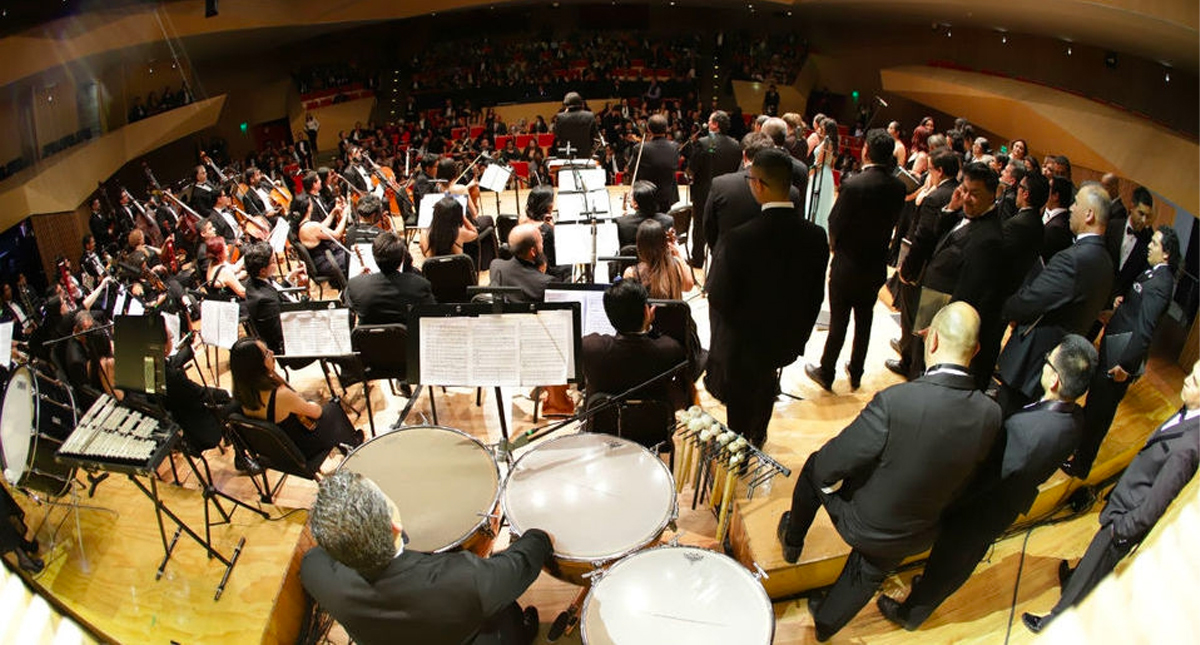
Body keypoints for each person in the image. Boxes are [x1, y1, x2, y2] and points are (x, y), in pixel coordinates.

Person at [777, 302, 1002, 641]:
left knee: (813, 466)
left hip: (864, 520)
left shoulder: (897, 401)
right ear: (977, 350)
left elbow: (830, 464)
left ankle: (793, 540)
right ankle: (824, 625)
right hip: (917, 530)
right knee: (871, 567)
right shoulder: (992, 413)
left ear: (934, 341)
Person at [877, 335, 1098, 629]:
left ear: (1055, 379)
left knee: (951, 560)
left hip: (981, 508)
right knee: (958, 559)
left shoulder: (1027, 431)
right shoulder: (1075, 418)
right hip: (1004, 505)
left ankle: (911, 614)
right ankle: (929, 584)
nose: (1043, 363)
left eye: (1047, 360)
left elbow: (990, 476)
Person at [1022, 360, 1200, 634]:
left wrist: (1122, 528)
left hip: (1128, 517)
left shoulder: (1188, 447)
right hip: (1126, 499)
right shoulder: (1188, 412)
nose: (1187, 379)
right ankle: (1076, 581)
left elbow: (1158, 502)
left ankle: (1054, 620)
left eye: (1196, 382)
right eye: (1192, 373)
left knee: (1099, 559)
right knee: (1095, 559)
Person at [301, 470, 550, 645]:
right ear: (395, 527)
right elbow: (519, 565)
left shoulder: (317, 574)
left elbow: (315, 557)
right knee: (507, 613)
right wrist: (537, 536)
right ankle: (522, 632)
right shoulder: (464, 578)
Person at [705, 148, 828, 447]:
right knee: (766, 386)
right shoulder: (815, 236)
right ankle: (759, 435)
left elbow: (718, 297)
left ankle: (740, 445)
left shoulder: (739, 239)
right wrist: (797, 338)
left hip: (742, 342)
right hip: (783, 340)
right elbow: (815, 296)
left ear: (758, 184)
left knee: (740, 402)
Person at [1067, 225, 1178, 478]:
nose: (1149, 245)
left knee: (1099, 412)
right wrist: (1122, 306)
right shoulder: (1154, 275)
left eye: (1155, 243)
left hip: (1120, 358)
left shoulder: (1162, 283)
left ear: (1166, 254)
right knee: (1094, 404)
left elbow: (1145, 330)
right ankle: (1077, 449)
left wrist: (1126, 366)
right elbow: (1136, 311)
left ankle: (1081, 465)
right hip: (1114, 346)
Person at [996, 182, 1114, 416]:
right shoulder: (1106, 262)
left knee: (1006, 417)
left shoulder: (1075, 259)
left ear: (1089, 214)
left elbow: (1032, 301)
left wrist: (1006, 307)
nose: (1071, 208)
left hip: (1034, 358)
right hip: (1057, 356)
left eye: (1076, 203)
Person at [806, 129, 905, 392]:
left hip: (848, 263)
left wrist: (836, 248)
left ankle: (827, 371)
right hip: (875, 265)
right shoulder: (898, 187)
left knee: (839, 321)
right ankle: (857, 372)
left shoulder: (854, 184)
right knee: (865, 320)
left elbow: (834, 223)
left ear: (866, 151)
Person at [229, 337, 361, 461]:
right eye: (266, 353)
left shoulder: (240, 392)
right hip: (300, 450)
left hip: (278, 453)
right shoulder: (280, 395)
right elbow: (316, 412)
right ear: (256, 364)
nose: (272, 353)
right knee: (333, 407)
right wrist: (310, 403)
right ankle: (353, 445)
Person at [581, 280, 689, 417]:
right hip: (653, 430)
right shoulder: (670, 350)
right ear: (646, 311)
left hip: (604, 431)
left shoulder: (590, 348)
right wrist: (648, 327)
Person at [686, 110, 743, 265]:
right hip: (727, 191)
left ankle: (698, 259)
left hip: (705, 192)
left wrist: (690, 173)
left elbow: (692, 169)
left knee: (700, 225)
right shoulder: (736, 144)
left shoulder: (706, 141)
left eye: (710, 121)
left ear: (716, 124)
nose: (708, 124)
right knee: (722, 224)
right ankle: (719, 259)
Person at [345, 231, 435, 326]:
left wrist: (360, 279)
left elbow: (347, 309)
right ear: (402, 258)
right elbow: (431, 313)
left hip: (369, 340)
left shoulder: (355, 285)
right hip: (407, 339)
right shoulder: (420, 285)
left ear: (374, 257)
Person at [290, 192, 350, 289]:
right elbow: (337, 235)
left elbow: (321, 227)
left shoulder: (302, 225)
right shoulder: (311, 226)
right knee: (353, 259)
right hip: (326, 261)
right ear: (308, 207)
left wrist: (333, 212)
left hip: (321, 260)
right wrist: (345, 216)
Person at [488, 224, 558, 304]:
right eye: (541, 242)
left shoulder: (496, 265)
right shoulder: (546, 283)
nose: (542, 246)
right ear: (532, 251)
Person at [624, 219, 692, 300]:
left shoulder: (631, 273)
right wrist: (678, 254)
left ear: (639, 246)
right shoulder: (677, 265)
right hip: (675, 312)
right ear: (664, 243)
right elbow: (688, 286)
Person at [625, 114, 679, 214]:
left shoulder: (640, 148)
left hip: (646, 197)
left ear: (648, 129)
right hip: (667, 198)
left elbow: (631, 170)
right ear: (666, 129)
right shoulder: (675, 147)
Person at [615, 180, 674, 248]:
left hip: (633, 258)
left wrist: (627, 219)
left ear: (635, 204)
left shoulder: (622, 223)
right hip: (659, 258)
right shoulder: (668, 220)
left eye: (631, 196)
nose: (629, 198)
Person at [804, 118, 839, 229]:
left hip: (820, 174)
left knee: (815, 203)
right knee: (820, 205)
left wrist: (808, 175)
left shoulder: (826, 143)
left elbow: (818, 164)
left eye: (822, 126)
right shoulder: (832, 143)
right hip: (827, 174)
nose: (819, 128)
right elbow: (832, 164)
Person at [552, 92, 598, 160]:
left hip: (566, 155)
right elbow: (594, 135)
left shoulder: (560, 117)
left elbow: (556, 133)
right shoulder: (590, 116)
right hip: (585, 155)